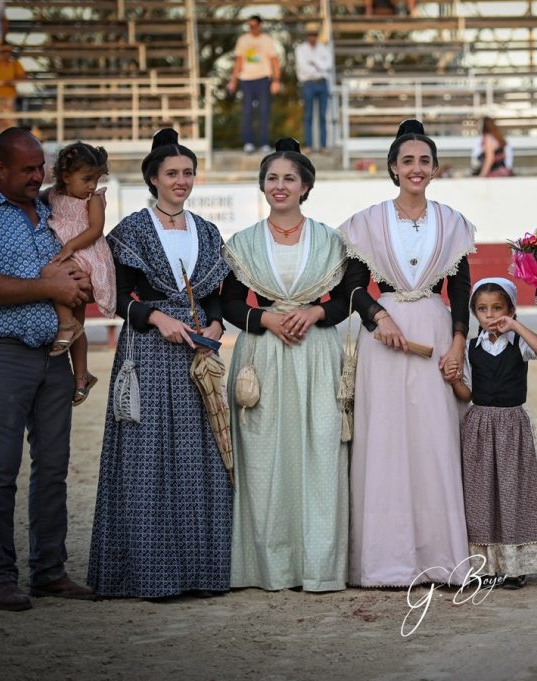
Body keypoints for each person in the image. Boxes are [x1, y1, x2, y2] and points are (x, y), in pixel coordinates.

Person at [0, 127, 94, 611]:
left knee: (53, 466)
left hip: (55, 352)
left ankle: (49, 571)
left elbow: (81, 261)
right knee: (1, 466)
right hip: (4, 350)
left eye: (41, 168)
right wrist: (52, 287)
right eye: (27, 170)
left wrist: (80, 283)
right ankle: (0, 576)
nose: (38, 176)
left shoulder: (54, 208)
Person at [88, 128, 232, 599]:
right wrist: (155, 317)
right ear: (153, 178)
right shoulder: (131, 230)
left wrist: (216, 325)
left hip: (197, 353)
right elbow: (116, 297)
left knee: (199, 459)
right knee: (146, 458)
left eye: (188, 172)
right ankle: (150, 575)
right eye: (172, 173)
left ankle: (202, 573)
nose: (181, 181)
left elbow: (214, 295)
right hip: (149, 351)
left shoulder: (206, 231)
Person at [339, 119, 474, 587]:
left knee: (435, 440)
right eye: (407, 161)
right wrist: (380, 317)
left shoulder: (452, 222)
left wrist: (458, 342)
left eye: (424, 161)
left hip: (436, 333)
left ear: (435, 168)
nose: (416, 168)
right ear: (394, 168)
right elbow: (352, 287)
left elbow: (461, 288)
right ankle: (385, 561)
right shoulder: (367, 222)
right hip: (384, 340)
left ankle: (441, 557)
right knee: (384, 441)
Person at [222, 139, 354, 592]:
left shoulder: (332, 241)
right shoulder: (242, 243)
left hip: (317, 352)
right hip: (263, 354)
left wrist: (315, 313)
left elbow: (348, 297)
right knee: (264, 459)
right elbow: (230, 303)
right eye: (272, 178)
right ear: (263, 185)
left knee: (321, 452)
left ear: (306, 186)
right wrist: (266, 319)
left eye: (289, 179)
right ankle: (268, 568)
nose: (280, 186)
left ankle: (319, 565)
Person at [446, 278, 537, 589]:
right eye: (482, 309)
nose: (490, 315)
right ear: (475, 313)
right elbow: (467, 394)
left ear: (510, 310)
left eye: (497, 308)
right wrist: (455, 379)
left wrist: (516, 326)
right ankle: (485, 565)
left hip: (513, 427)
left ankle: (515, 566)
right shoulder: (472, 348)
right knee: (481, 495)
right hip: (480, 427)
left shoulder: (518, 344)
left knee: (513, 493)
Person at [44, 142, 115, 406]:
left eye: (96, 179)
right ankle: (81, 377)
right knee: (79, 324)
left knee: (59, 275)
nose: (92, 186)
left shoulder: (93, 199)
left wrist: (70, 247)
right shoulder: (52, 195)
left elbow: (96, 229)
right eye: (87, 179)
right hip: (69, 253)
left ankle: (66, 325)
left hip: (86, 255)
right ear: (65, 176)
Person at [227, 15, 281, 154]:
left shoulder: (267, 40)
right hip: (246, 80)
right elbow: (238, 62)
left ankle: (264, 143)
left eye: (254, 26)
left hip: (263, 79)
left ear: (260, 25)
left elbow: (275, 61)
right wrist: (233, 80)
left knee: (264, 111)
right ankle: (248, 143)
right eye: (250, 26)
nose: (252, 28)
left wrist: (276, 81)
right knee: (247, 112)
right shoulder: (243, 40)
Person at [295, 22, 333, 155]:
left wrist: (313, 63)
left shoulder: (324, 48)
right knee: (308, 116)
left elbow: (328, 65)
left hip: (323, 84)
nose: (312, 37)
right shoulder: (301, 49)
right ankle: (309, 146)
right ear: (307, 35)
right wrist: (319, 67)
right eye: (310, 34)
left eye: (314, 34)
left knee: (323, 116)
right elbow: (303, 67)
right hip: (308, 84)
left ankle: (323, 146)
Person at [0, 42, 23, 134]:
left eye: (8, 51)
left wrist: (12, 80)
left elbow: (23, 77)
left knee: (9, 124)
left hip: (9, 98)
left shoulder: (14, 64)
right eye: (4, 51)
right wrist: (0, 48)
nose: (6, 53)